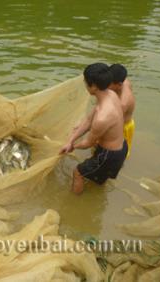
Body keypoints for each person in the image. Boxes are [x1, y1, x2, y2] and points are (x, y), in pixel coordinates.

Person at [59, 63, 128, 194]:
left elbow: (88, 143)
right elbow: (88, 120)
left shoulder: (103, 117)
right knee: (100, 176)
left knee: (78, 172)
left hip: (109, 155)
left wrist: (73, 147)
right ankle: (98, 191)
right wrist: (70, 140)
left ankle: (74, 205)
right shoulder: (110, 95)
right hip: (120, 147)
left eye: (86, 82)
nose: (85, 85)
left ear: (94, 86)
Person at [109, 64, 135, 157]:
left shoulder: (123, 103)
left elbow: (111, 123)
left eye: (109, 83)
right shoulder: (125, 81)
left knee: (117, 153)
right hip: (125, 119)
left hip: (123, 127)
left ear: (119, 84)